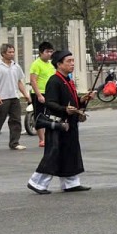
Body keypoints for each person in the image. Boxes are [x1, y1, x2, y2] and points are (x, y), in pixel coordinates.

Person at [26, 48, 89, 193]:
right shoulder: (54, 81)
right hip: (58, 124)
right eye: (69, 61)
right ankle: (37, 183)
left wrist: (82, 100)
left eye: (73, 61)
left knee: (69, 152)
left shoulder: (68, 81)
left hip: (70, 124)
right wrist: (64, 110)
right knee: (54, 154)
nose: (72, 64)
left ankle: (71, 183)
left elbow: (73, 102)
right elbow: (50, 103)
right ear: (59, 64)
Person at [0, 42, 29, 151]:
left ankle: (14, 143)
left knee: (16, 120)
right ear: (3, 53)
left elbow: (19, 82)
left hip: (14, 97)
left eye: (13, 52)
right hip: (2, 97)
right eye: (9, 52)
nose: (12, 54)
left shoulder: (16, 66)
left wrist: (25, 95)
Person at [28, 42, 57, 149]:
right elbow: (33, 80)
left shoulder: (51, 64)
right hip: (39, 93)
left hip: (50, 93)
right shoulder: (36, 64)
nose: (49, 54)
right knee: (39, 116)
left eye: (51, 51)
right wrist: (39, 95)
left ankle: (49, 137)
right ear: (41, 52)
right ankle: (42, 139)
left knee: (50, 116)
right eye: (47, 51)